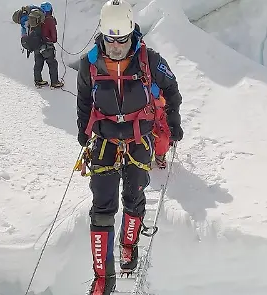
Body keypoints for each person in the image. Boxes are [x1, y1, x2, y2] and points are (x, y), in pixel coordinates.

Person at [75, 1, 183, 294]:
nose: (117, 46)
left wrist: (173, 121)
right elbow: (84, 99)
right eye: (111, 39)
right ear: (103, 34)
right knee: (101, 209)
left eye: (122, 39)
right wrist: (82, 130)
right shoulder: (90, 63)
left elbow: (172, 88)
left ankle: (128, 245)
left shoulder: (149, 59)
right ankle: (102, 280)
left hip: (139, 137)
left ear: (131, 33)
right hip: (104, 139)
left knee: (134, 198)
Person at [14, 2, 63, 88]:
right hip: (47, 46)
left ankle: (38, 81)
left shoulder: (34, 19)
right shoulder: (49, 20)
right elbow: (54, 39)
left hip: (36, 45)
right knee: (52, 64)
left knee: (38, 64)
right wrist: (50, 39)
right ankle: (55, 82)